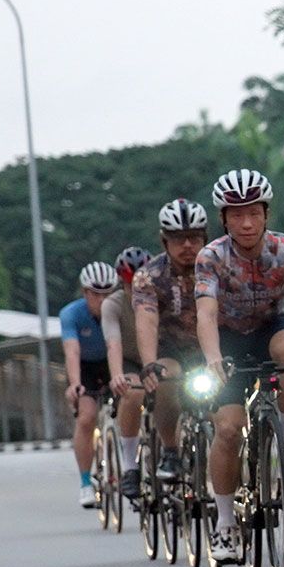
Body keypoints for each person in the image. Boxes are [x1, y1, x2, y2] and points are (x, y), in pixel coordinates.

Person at [195, 169, 284, 564]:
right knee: (227, 429)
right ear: (223, 218)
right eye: (237, 215)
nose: (247, 223)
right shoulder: (211, 257)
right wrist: (213, 358)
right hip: (227, 337)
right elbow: (205, 314)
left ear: (266, 214)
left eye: (254, 213)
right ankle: (224, 524)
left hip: (271, 326)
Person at [134, 199, 210, 485]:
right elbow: (146, 321)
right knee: (166, 378)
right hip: (171, 349)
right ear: (164, 241)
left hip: (212, 347)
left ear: (205, 238)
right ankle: (170, 450)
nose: (187, 245)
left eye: (194, 237)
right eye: (179, 239)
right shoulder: (149, 276)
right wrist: (149, 364)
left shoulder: (219, 267)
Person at [61, 261, 122, 508]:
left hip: (113, 362)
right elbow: (72, 351)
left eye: (108, 293)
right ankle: (86, 482)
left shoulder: (120, 310)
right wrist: (75, 384)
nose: (103, 300)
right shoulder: (71, 314)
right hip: (85, 366)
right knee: (86, 417)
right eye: (96, 294)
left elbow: (120, 345)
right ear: (85, 293)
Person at [105, 247, 152, 498]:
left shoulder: (163, 296)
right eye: (130, 286)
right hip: (130, 361)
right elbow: (113, 343)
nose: (137, 291)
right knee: (133, 393)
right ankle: (130, 465)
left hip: (159, 357)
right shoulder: (113, 305)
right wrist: (117, 375)